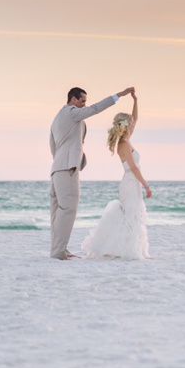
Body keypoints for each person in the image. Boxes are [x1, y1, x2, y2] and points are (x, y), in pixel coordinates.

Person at [49, 86, 134, 260]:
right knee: (68, 210)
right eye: (82, 101)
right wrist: (119, 95)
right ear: (73, 99)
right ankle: (58, 252)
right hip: (67, 168)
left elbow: (52, 145)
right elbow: (95, 109)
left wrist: (59, 162)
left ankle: (59, 249)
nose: (84, 105)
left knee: (57, 212)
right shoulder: (72, 112)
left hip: (57, 168)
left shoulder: (57, 118)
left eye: (85, 102)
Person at [81, 90, 151, 260]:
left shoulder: (127, 139)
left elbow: (136, 118)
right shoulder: (125, 144)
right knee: (131, 216)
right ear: (126, 125)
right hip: (130, 181)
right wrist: (146, 185)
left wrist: (135, 100)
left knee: (132, 216)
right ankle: (126, 250)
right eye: (131, 123)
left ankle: (128, 248)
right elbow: (134, 168)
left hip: (131, 182)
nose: (134, 124)